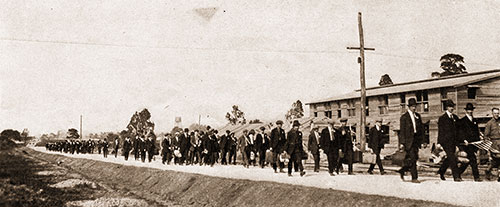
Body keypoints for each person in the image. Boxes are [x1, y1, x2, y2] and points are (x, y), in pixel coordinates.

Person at [396, 98, 428, 183]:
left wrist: (423, 141)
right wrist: (402, 143)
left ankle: (403, 170)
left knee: (414, 158)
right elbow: (402, 131)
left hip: (416, 141)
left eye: (415, 106)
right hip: (408, 141)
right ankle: (414, 177)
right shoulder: (404, 117)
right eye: (412, 106)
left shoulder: (418, 116)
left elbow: (421, 130)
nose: (414, 108)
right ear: (409, 107)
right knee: (413, 158)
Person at [437, 100, 462, 182]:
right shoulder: (442, 118)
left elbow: (458, 131)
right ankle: (456, 176)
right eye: (450, 106)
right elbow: (440, 131)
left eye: (452, 106)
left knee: (449, 158)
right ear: (446, 107)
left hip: (454, 142)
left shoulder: (455, 118)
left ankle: (441, 171)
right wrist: (439, 143)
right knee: (452, 158)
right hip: (446, 142)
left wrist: (458, 143)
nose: (452, 108)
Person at [457, 103, 482, 182]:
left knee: (468, 161)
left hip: (474, 143)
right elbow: (460, 132)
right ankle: (476, 177)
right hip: (466, 144)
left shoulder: (475, 120)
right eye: (468, 110)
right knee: (473, 160)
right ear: (466, 111)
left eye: (471, 110)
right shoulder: (462, 121)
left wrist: (479, 140)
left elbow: (476, 132)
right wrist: (464, 139)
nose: (470, 111)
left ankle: (457, 173)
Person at [484, 107, 500, 181]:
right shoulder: (489, 123)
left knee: (497, 160)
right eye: (495, 113)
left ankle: (498, 176)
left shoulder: (499, 122)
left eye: (498, 113)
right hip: (494, 143)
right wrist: (488, 146)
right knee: (495, 160)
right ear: (492, 114)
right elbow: (486, 135)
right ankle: (488, 170)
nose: (497, 115)